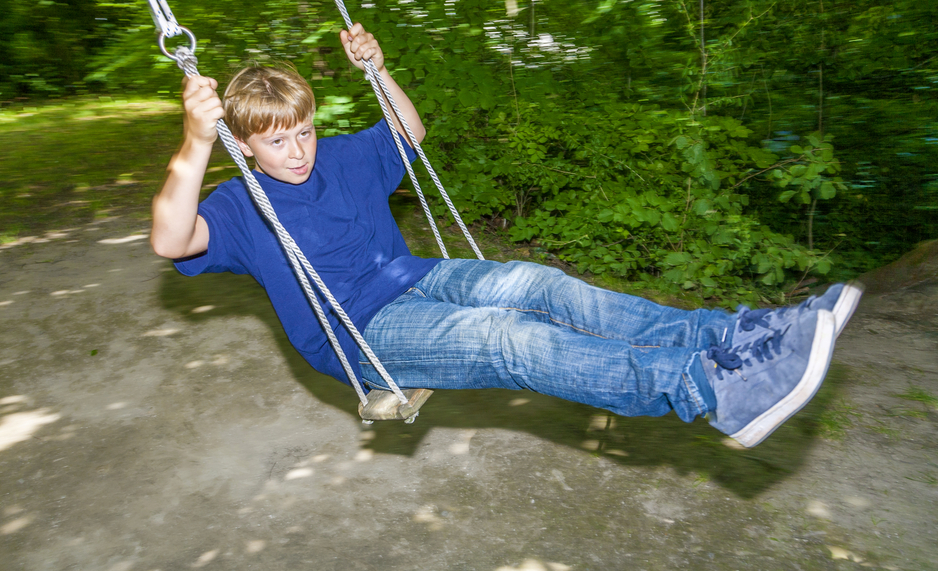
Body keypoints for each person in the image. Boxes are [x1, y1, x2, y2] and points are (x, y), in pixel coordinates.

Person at [151, 23, 863, 448]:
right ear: (243, 146)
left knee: (538, 283)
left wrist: (377, 68)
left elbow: (409, 131)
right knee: (506, 337)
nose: (299, 151)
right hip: (363, 333)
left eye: (303, 130)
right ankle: (711, 389)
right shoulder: (243, 206)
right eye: (277, 142)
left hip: (414, 278)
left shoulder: (337, 154)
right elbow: (170, 240)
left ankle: (738, 336)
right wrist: (193, 140)